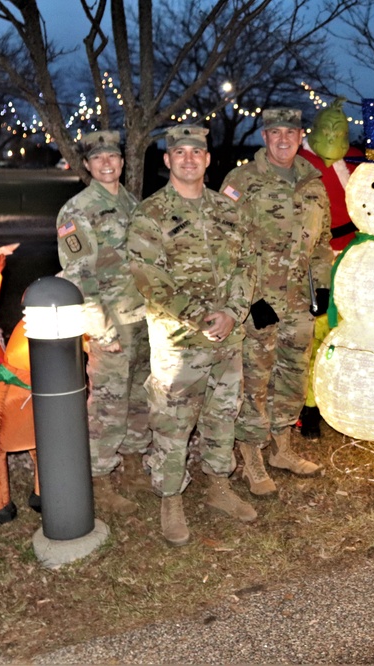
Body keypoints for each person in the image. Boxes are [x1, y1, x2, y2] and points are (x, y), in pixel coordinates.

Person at [127, 124, 258, 547]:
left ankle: (219, 484)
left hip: (227, 339)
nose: (188, 159)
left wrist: (233, 313)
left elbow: (247, 266)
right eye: (179, 152)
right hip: (179, 344)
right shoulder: (150, 215)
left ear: (207, 160)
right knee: (172, 422)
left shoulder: (228, 210)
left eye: (195, 153)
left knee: (223, 415)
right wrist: (204, 317)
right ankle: (171, 499)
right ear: (167, 161)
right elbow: (149, 277)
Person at [220, 108, 333, 496]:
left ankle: (281, 447)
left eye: (291, 131)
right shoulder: (242, 181)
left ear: (301, 135)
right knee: (256, 379)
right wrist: (249, 300)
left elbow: (322, 243)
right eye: (274, 132)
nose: (283, 139)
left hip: (299, 302)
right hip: (260, 303)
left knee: (292, 376)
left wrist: (321, 288)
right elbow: (225, 245)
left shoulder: (313, 182)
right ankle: (251, 455)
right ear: (264, 137)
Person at [55, 129, 150, 516]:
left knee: (140, 398)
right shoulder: (76, 211)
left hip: (143, 316)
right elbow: (77, 275)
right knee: (108, 405)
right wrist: (101, 327)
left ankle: (131, 467)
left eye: (113, 157)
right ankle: (99, 478)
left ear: (123, 162)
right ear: (88, 165)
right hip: (112, 322)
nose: (107, 163)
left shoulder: (132, 203)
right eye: (98, 159)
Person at [295, 97, 364, 439]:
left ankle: (343, 399)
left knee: (346, 329)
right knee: (315, 330)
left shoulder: (352, 164)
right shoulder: (299, 165)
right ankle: (308, 408)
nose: (335, 136)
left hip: (350, 257)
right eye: (329, 130)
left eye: (341, 131)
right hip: (315, 261)